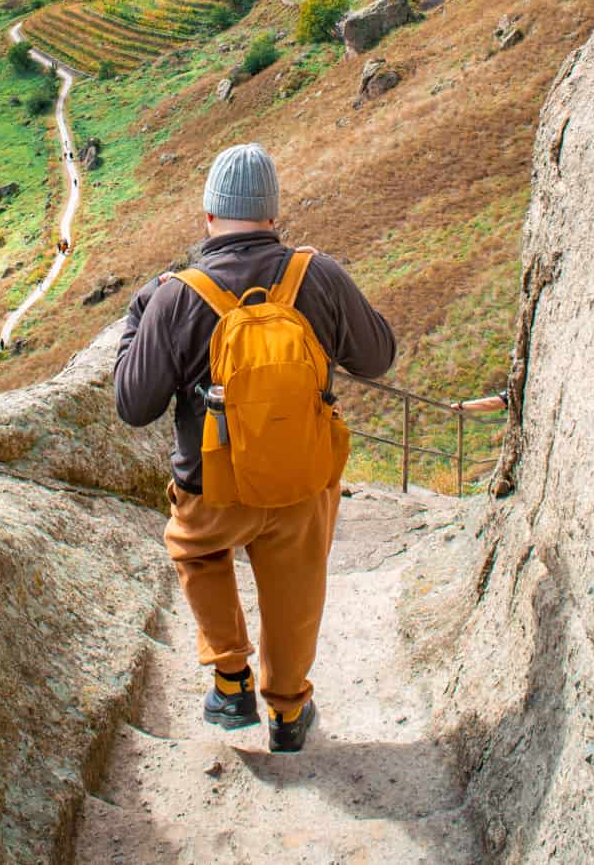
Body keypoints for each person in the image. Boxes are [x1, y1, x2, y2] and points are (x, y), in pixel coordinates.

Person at [115, 143, 395, 753]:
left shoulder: (175, 296)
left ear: (209, 217)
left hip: (212, 486)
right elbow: (378, 357)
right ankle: (289, 713)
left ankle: (230, 678)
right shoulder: (316, 275)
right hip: (301, 481)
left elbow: (133, 407)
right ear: (273, 216)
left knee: (195, 552)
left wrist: (141, 313)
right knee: (295, 588)